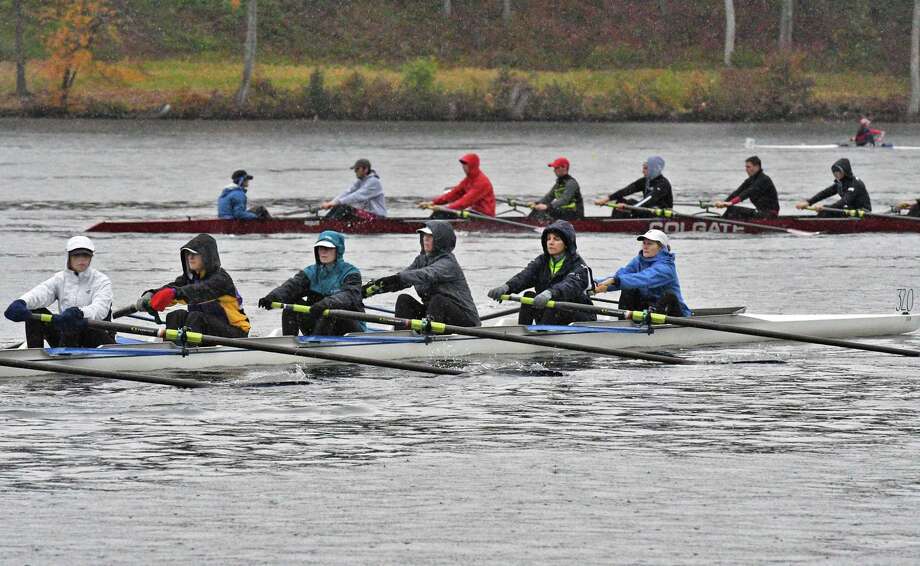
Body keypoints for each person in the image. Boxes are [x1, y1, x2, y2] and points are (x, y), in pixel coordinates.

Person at [4, 236, 115, 348]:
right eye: (77, 255)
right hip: (67, 333)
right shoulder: (60, 279)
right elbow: (41, 293)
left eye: (86, 256)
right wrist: (22, 302)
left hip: (97, 337)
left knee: (72, 321)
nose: (82, 260)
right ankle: (35, 355)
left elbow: (100, 309)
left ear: (91, 257)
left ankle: (65, 356)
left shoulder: (102, 281)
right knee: (35, 311)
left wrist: (80, 313)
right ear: (69, 256)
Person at [364, 221, 480, 327]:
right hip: (435, 316)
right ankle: (402, 337)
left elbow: (425, 274)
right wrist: (371, 289)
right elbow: (402, 280)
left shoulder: (448, 263)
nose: (425, 239)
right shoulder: (420, 260)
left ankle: (430, 339)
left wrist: (396, 278)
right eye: (424, 236)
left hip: (465, 321)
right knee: (403, 300)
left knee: (438, 300)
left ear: (441, 240)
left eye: (430, 236)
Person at [137, 233, 251, 338]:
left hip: (236, 332)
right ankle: (172, 347)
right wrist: (151, 295)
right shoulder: (191, 278)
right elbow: (174, 287)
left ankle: (190, 350)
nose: (190, 257)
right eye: (188, 254)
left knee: (196, 317)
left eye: (195, 254)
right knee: (176, 315)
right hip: (208, 328)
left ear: (207, 257)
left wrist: (174, 293)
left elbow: (197, 291)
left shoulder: (221, 279)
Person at [487, 220, 597, 326]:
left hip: (579, 316)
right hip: (550, 313)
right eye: (548, 239)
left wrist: (550, 293)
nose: (551, 242)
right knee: (529, 297)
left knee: (553, 300)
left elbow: (569, 285)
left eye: (556, 239)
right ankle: (523, 332)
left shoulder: (579, 266)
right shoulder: (542, 261)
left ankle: (539, 336)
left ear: (567, 243)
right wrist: (507, 287)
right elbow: (525, 276)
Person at [257, 231, 366, 336]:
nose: (323, 252)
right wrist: (272, 297)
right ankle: (289, 344)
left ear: (338, 250)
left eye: (328, 248)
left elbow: (348, 296)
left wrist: (325, 304)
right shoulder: (311, 272)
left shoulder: (351, 273)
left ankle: (316, 346)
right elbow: (291, 287)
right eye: (320, 248)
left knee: (330, 311)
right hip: (319, 321)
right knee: (291, 306)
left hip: (349, 326)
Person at [594, 229, 691, 317]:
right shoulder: (638, 261)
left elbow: (643, 278)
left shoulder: (666, 267)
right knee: (628, 289)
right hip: (649, 309)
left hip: (673, 312)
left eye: (649, 244)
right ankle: (624, 323)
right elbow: (621, 276)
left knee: (669, 296)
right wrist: (594, 285)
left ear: (661, 247)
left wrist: (615, 280)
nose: (645, 246)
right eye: (644, 243)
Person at [418, 153, 495, 219]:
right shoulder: (468, 180)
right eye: (463, 164)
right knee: (440, 213)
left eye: (466, 164)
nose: (463, 167)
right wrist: (433, 203)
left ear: (473, 166)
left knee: (441, 213)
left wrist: (445, 209)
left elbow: (464, 202)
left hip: (484, 216)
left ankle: (428, 230)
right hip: (473, 212)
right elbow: (453, 194)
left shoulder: (482, 182)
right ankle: (429, 228)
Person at [594, 156, 672, 218]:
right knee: (621, 200)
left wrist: (630, 208)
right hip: (645, 210)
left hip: (660, 213)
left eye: (645, 168)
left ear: (655, 169)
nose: (642, 171)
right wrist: (606, 199)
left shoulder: (663, 184)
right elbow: (627, 190)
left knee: (630, 203)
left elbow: (648, 200)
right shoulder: (645, 181)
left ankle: (614, 226)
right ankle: (613, 224)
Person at [795, 158, 871, 217]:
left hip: (863, 212)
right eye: (834, 172)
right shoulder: (840, 183)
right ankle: (816, 225)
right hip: (850, 210)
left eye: (838, 172)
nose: (836, 174)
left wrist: (826, 208)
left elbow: (845, 201)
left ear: (845, 171)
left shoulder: (855, 184)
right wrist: (808, 202)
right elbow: (824, 193)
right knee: (825, 211)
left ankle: (817, 227)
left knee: (825, 211)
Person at [713, 156, 780, 219]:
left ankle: (722, 225)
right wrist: (724, 203)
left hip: (770, 215)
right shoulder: (750, 180)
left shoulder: (764, 180)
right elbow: (737, 193)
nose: (746, 170)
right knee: (731, 209)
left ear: (757, 167)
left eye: (748, 167)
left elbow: (748, 193)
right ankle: (723, 223)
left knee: (733, 209)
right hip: (760, 213)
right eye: (746, 167)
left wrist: (731, 203)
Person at [320, 158, 387, 222]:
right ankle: (326, 222)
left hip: (377, 217)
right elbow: (347, 193)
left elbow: (356, 196)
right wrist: (332, 202)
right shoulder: (361, 181)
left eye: (357, 169)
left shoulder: (373, 182)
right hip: (366, 214)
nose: (355, 172)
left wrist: (334, 203)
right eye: (355, 169)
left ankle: (328, 225)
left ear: (365, 169)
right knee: (339, 206)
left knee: (345, 208)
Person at [528, 157, 584, 221]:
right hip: (564, 213)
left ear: (564, 167)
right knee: (537, 210)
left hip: (574, 215)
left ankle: (531, 226)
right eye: (554, 168)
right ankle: (528, 224)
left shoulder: (571, 183)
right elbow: (548, 197)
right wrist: (536, 203)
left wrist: (547, 206)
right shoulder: (558, 183)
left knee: (545, 211)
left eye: (556, 168)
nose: (554, 170)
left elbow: (564, 200)